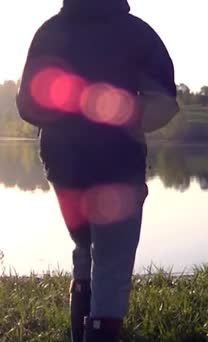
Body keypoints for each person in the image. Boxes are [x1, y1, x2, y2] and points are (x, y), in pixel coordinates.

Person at [16, 0, 179, 341]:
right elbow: (164, 103)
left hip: (63, 164)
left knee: (85, 249)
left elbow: (27, 105)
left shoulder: (50, 31)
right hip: (117, 164)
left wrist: (68, 113)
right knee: (111, 266)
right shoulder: (137, 33)